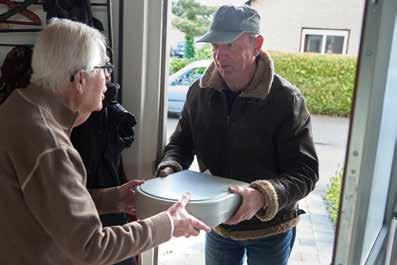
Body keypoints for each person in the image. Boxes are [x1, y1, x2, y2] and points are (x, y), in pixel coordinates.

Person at [0, 18, 210, 265]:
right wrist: (168, 224)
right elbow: (91, 247)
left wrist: (114, 199)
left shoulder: (18, 108)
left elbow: (48, 202)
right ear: (80, 79)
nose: (109, 79)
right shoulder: (48, 143)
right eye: (104, 68)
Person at [157, 5, 319, 265]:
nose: (219, 56)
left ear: (257, 45)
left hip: (271, 229)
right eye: (214, 46)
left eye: (230, 45)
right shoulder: (198, 94)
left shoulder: (286, 100)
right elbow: (181, 142)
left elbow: (306, 172)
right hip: (219, 224)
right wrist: (170, 168)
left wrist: (262, 196)